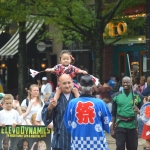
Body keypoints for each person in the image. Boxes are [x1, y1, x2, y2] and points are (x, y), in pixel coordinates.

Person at [63, 75, 112, 149]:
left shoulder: (72, 103)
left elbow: (67, 123)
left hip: (78, 143)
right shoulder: (100, 103)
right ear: (92, 88)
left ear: (79, 87)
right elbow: (106, 122)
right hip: (97, 144)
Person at [42, 74, 76, 150]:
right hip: (59, 139)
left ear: (72, 83)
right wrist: (50, 107)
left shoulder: (77, 96)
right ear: (59, 84)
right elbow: (45, 118)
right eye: (64, 83)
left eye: (69, 83)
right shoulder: (54, 96)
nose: (67, 85)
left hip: (76, 139)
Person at [111, 76, 143, 150]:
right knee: (119, 147)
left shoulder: (137, 96)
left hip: (133, 126)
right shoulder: (116, 96)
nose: (125, 84)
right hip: (120, 125)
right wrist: (112, 129)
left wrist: (138, 111)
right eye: (124, 82)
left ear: (131, 83)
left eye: (127, 82)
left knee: (132, 147)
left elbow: (144, 112)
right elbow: (113, 113)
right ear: (121, 84)